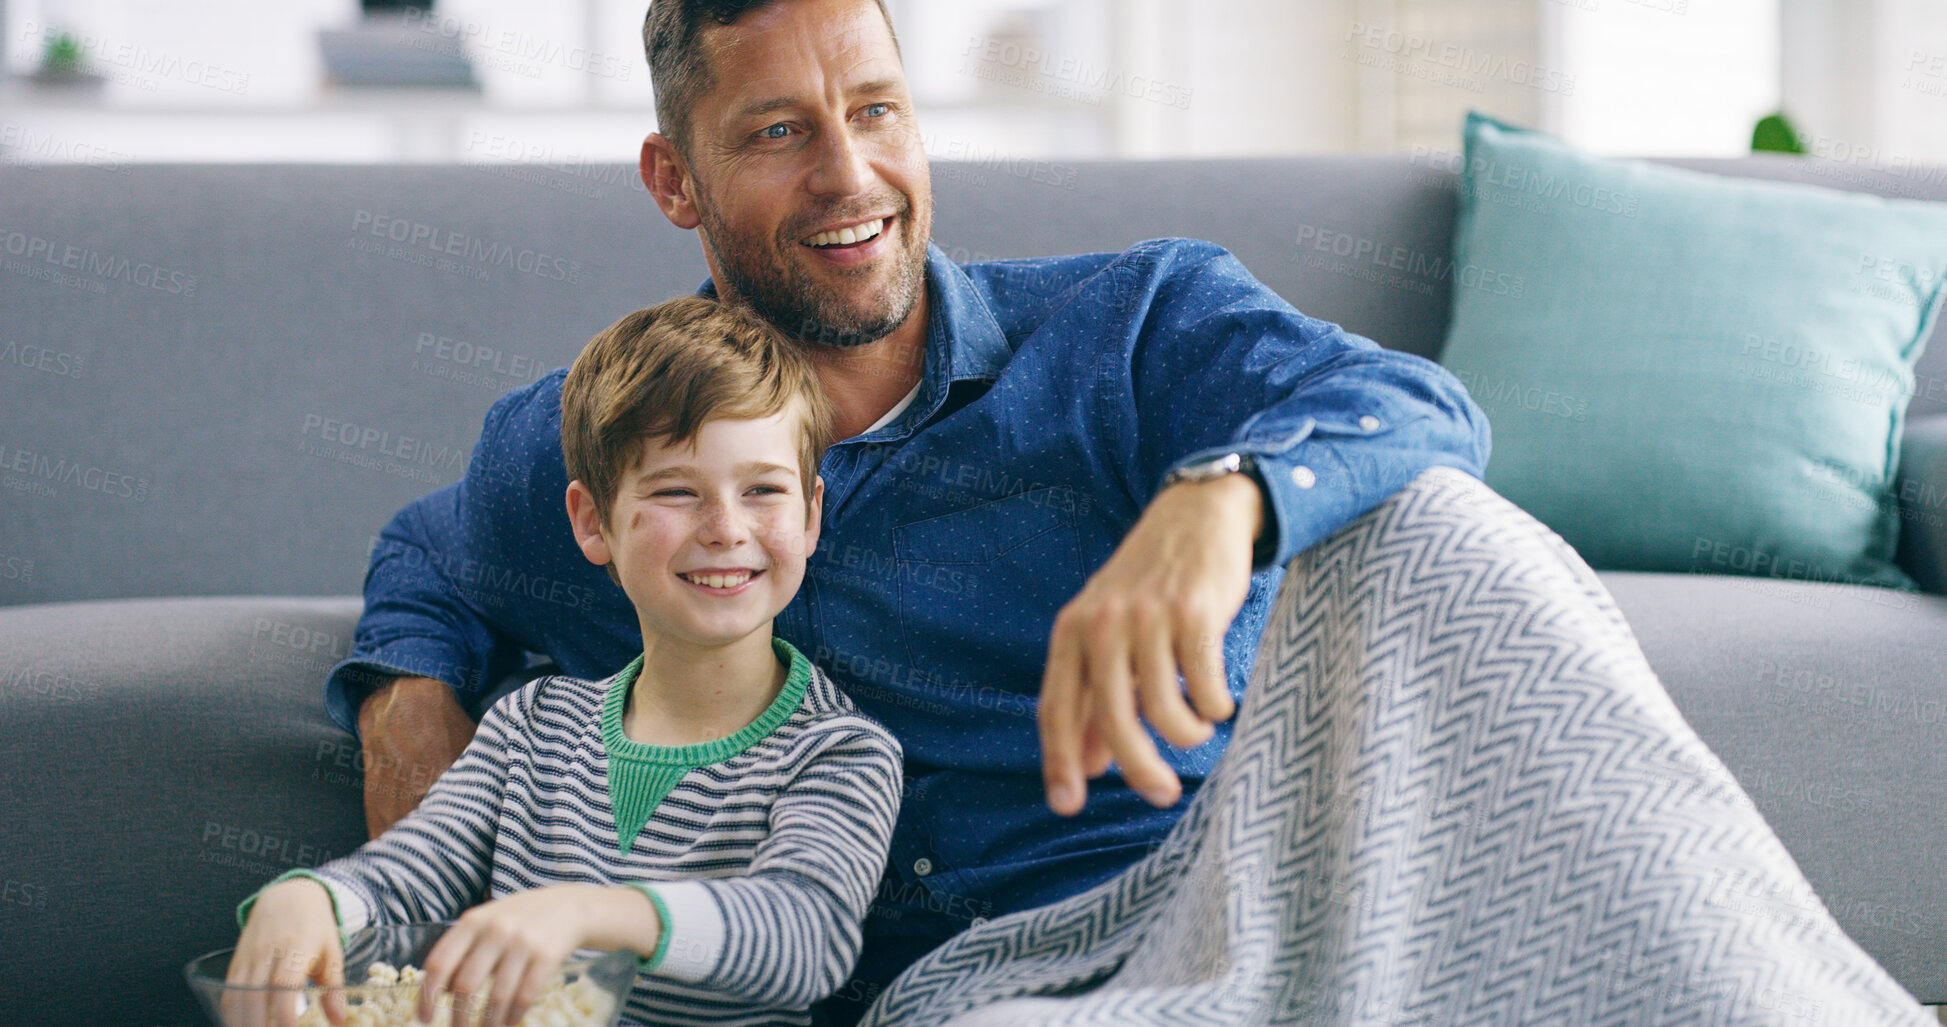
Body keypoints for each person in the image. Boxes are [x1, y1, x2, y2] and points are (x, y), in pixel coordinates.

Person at [324, 0, 1490, 1021]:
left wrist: (1221, 497)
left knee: (1477, 545)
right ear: (674, 179)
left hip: (1227, 912)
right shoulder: (622, 448)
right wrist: (405, 704)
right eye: (780, 131)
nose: (849, 174)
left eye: (878, 111)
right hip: (958, 987)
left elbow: (1416, 406)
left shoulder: (1131, 323)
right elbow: (428, 547)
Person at [229, 296, 903, 1027]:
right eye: (676, 490)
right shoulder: (531, 726)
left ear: (808, 517)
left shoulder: (840, 751)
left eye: (763, 490)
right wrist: (313, 899)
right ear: (592, 522)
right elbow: (410, 874)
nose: (726, 529)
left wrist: (598, 913)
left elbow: (804, 935)